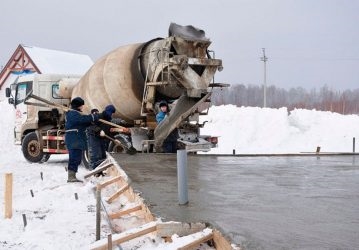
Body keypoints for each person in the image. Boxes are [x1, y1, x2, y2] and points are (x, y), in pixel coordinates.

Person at [65, 97, 98, 182]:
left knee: (76, 158)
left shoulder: (75, 113)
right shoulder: (73, 114)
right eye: (81, 105)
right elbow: (82, 120)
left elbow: (83, 122)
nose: (82, 107)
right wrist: (93, 117)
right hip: (74, 139)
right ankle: (71, 176)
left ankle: (72, 174)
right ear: (78, 105)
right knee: (74, 158)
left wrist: (91, 121)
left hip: (76, 139)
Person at [87, 105, 116, 170]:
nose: (112, 115)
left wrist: (115, 139)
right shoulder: (98, 116)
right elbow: (90, 125)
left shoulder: (108, 120)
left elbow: (108, 133)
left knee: (103, 156)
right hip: (94, 137)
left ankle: (100, 171)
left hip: (102, 139)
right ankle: (94, 171)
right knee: (96, 155)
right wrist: (99, 130)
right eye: (111, 113)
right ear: (108, 112)